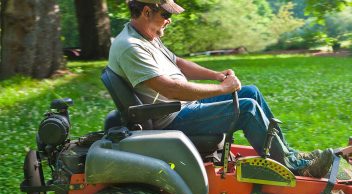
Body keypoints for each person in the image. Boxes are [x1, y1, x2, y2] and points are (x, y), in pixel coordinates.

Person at [108, 0, 333, 178]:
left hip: (181, 107)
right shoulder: (131, 47)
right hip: (170, 118)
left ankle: (288, 154)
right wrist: (223, 89)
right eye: (166, 14)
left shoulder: (146, 37)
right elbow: (171, 90)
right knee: (247, 109)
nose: (169, 20)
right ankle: (295, 168)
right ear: (146, 12)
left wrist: (215, 76)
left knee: (250, 92)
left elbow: (178, 63)